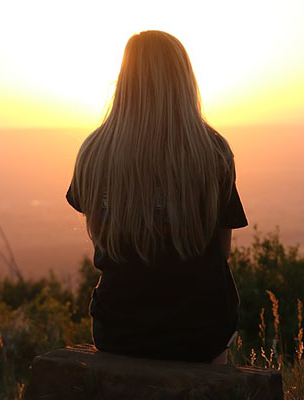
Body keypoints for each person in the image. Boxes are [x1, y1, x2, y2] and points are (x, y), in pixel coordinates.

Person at [65, 30, 248, 365]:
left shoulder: (93, 152)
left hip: (119, 329)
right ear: (184, 81)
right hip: (199, 332)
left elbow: (101, 235)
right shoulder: (213, 153)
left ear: (124, 81)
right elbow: (222, 252)